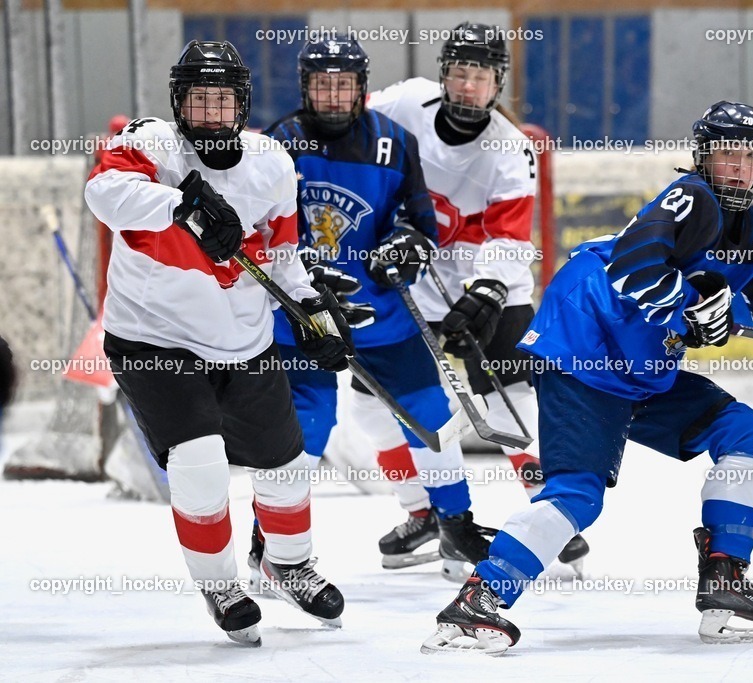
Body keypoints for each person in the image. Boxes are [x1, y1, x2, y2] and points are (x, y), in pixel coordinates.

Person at [421, 101, 753, 654]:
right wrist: (689, 309)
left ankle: (724, 578)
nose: (740, 169)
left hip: (645, 369)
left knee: (745, 433)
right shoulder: (691, 199)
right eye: (727, 155)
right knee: (579, 494)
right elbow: (634, 264)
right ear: (703, 158)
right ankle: (478, 601)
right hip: (587, 349)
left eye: (750, 157)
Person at [84, 40, 351, 647]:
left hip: (244, 341)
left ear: (242, 105)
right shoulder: (152, 143)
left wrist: (314, 313)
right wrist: (184, 204)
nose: (209, 113)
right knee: (199, 461)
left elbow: (284, 260)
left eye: (222, 100)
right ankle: (219, 583)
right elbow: (103, 193)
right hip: (154, 340)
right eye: (198, 100)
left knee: (284, 465)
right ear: (179, 103)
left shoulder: (272, 163)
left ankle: (288, 563)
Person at [250, 34, 499, 576]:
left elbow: (420, 222)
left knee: (431, 416)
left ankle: (455, 527)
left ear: (362, 88)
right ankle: (267, 539)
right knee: (304, 428)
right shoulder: (277, 144)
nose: (334, 96)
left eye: (344, 85)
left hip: (380, 314)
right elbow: (258, 232)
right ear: (305, 88)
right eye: (323, 85)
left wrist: (407, 243)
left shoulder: (394, 141)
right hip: (303, 319)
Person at [367, 21, 588, 575]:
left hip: (492, 285)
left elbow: (510, 240)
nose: (468, 86)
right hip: (411, 277)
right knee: (372, 407)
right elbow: (347, 131)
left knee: (508, 402)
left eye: (481, 77)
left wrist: (486, 292)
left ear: (497, 85)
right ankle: (423, 513)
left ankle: (550, 514)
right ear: (443, 75)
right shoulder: (404, 104)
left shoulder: (511, 151)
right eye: (460, 74)